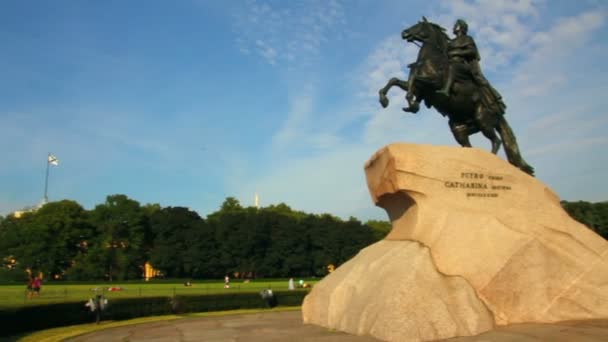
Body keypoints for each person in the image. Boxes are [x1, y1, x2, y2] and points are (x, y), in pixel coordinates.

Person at [436, 19, 504, 111]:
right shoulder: (451, 42)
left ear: (461, 27)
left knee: (452, 66)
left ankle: (446, 89)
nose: (453, 27)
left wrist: (457, 52)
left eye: (456, 25)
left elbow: (472, 51)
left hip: (462, 65)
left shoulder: (467, 39)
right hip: (451, 63)